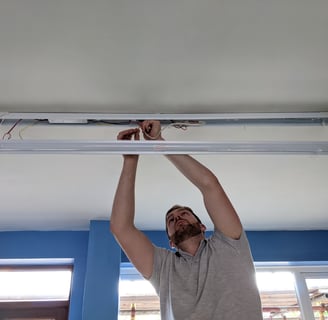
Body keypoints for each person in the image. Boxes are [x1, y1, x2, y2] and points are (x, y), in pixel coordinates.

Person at [110, 120, 263, 320]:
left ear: (202, 226)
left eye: (184, 213)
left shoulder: (230, 244)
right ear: (170, 241)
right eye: (170, 220)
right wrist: (130, 160)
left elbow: (210, 185)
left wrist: (158, 142)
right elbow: (121, 228)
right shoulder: (163, 267)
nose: (177, 218)